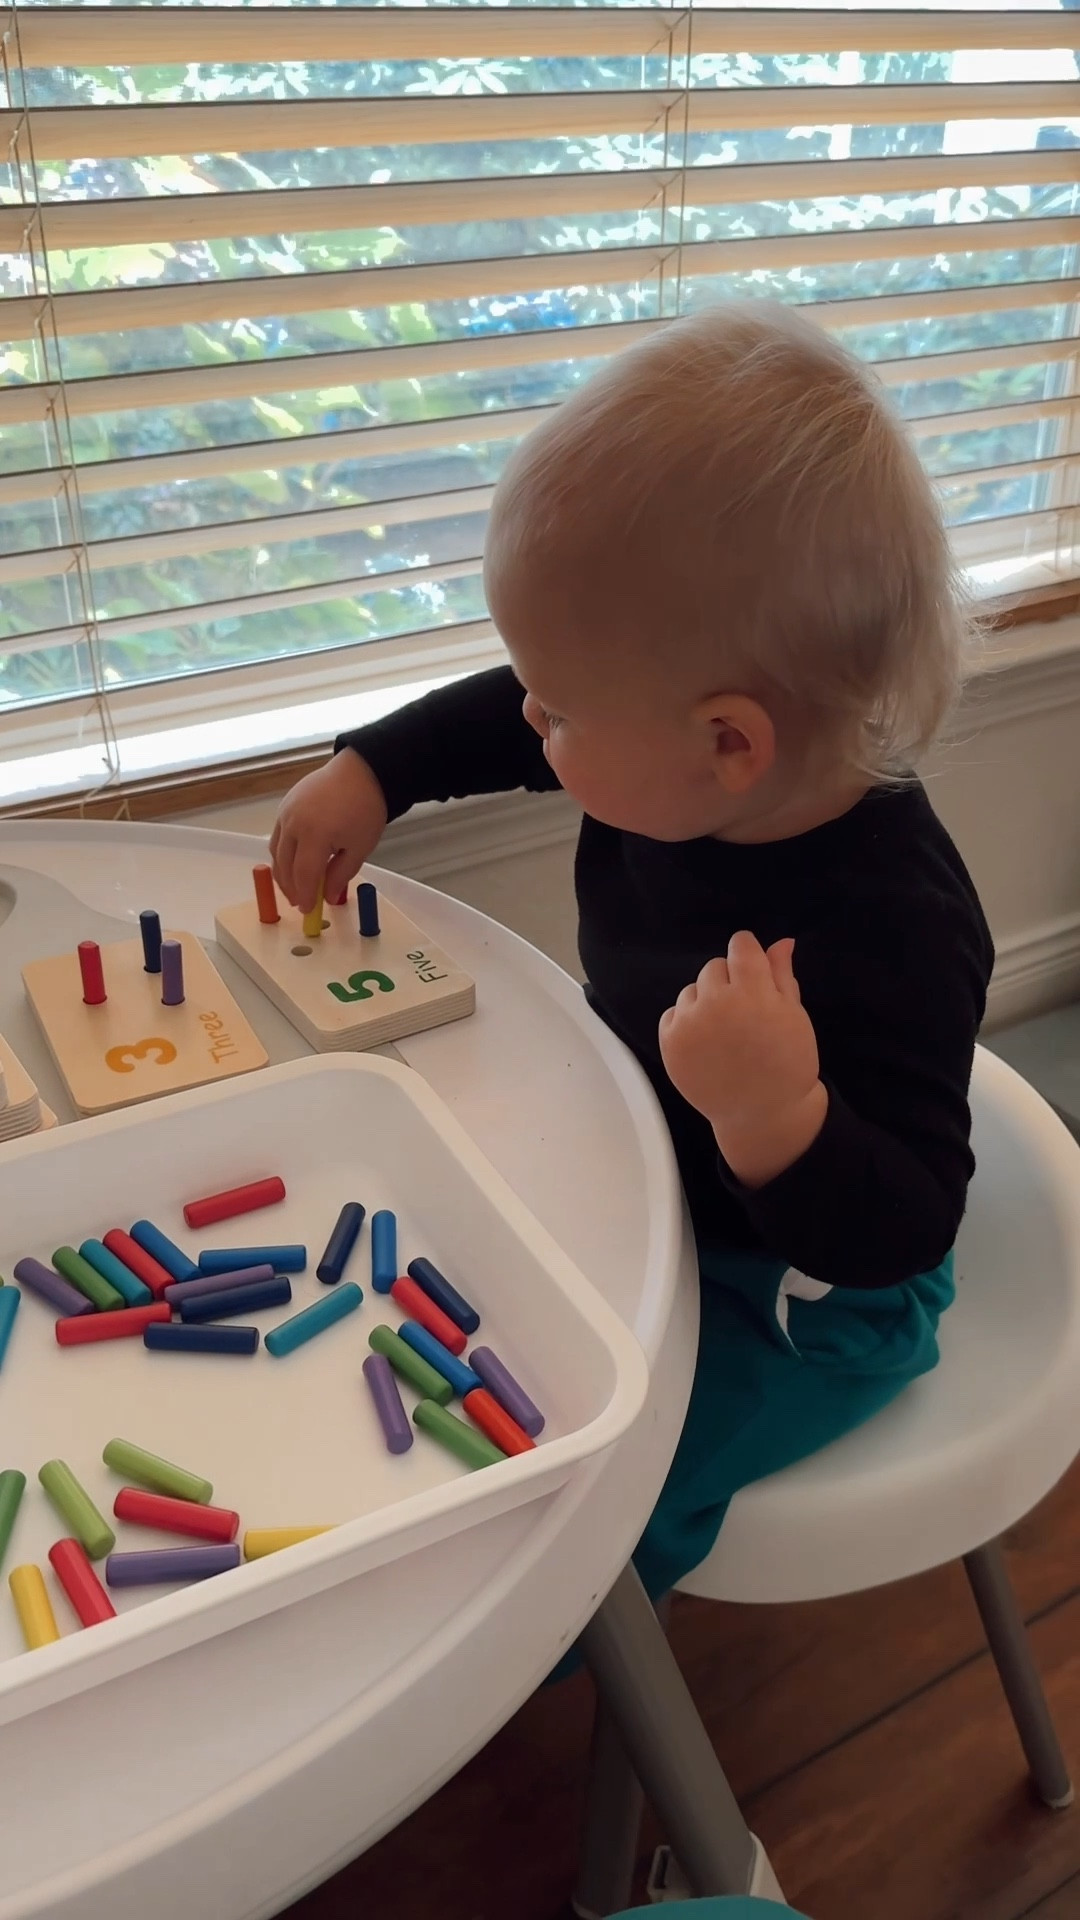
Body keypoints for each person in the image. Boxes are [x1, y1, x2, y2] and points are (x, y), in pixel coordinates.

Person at [271, 301, 994, 1598]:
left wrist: (778, 1114)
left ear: (729, 742)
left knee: (594, 1478)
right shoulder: (680, 756)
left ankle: (575, 1643)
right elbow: (510, 709)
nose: (529, 719)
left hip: (811, 1286)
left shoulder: (898, 926)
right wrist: (378, 768)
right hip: (652, 1162)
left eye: (558, 709)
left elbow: (903, 1224)